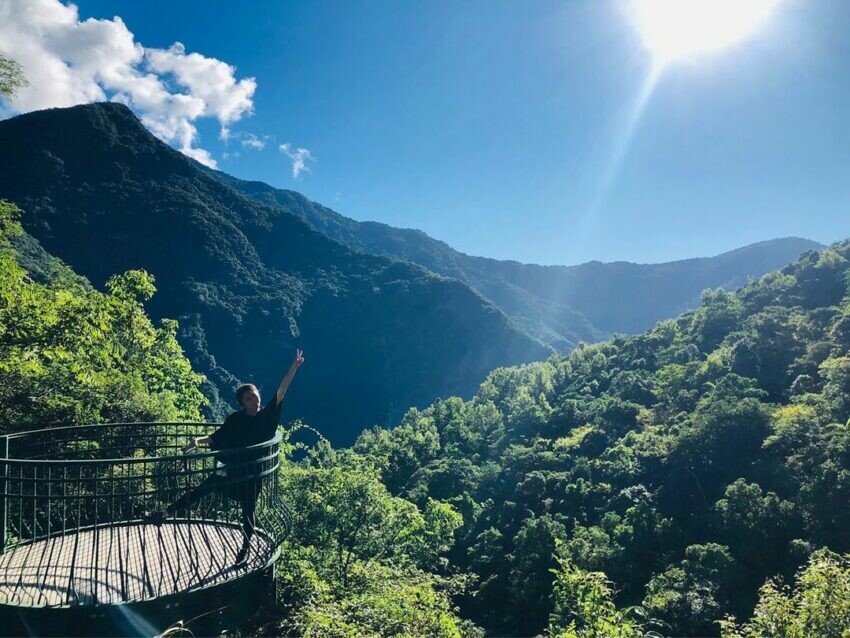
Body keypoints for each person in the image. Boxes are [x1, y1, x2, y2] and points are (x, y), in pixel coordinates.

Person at [146, 349, 304, 565]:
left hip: (254, 475)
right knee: (205, 487)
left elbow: (282, 389)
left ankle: (245, 550)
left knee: (248, 513)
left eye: (255, 394)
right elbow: (217, 437)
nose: (254, 399)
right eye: (249, 398)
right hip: (237, 472)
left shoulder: (268, 416)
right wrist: (197, 442)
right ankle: (164, 514)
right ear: (243, 402)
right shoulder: (236, 420)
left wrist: (294, 367)